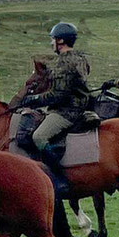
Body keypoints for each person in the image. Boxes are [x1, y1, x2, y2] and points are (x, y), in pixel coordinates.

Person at [14, 23, 91, 196]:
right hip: (78, 105)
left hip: (67, 111)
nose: (52, 43)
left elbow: (58, 95)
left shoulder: (64, 62)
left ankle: (59, 177)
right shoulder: (80, 57)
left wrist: (33, 99)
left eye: (53, 39)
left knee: (39, 136)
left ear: (61, 40)